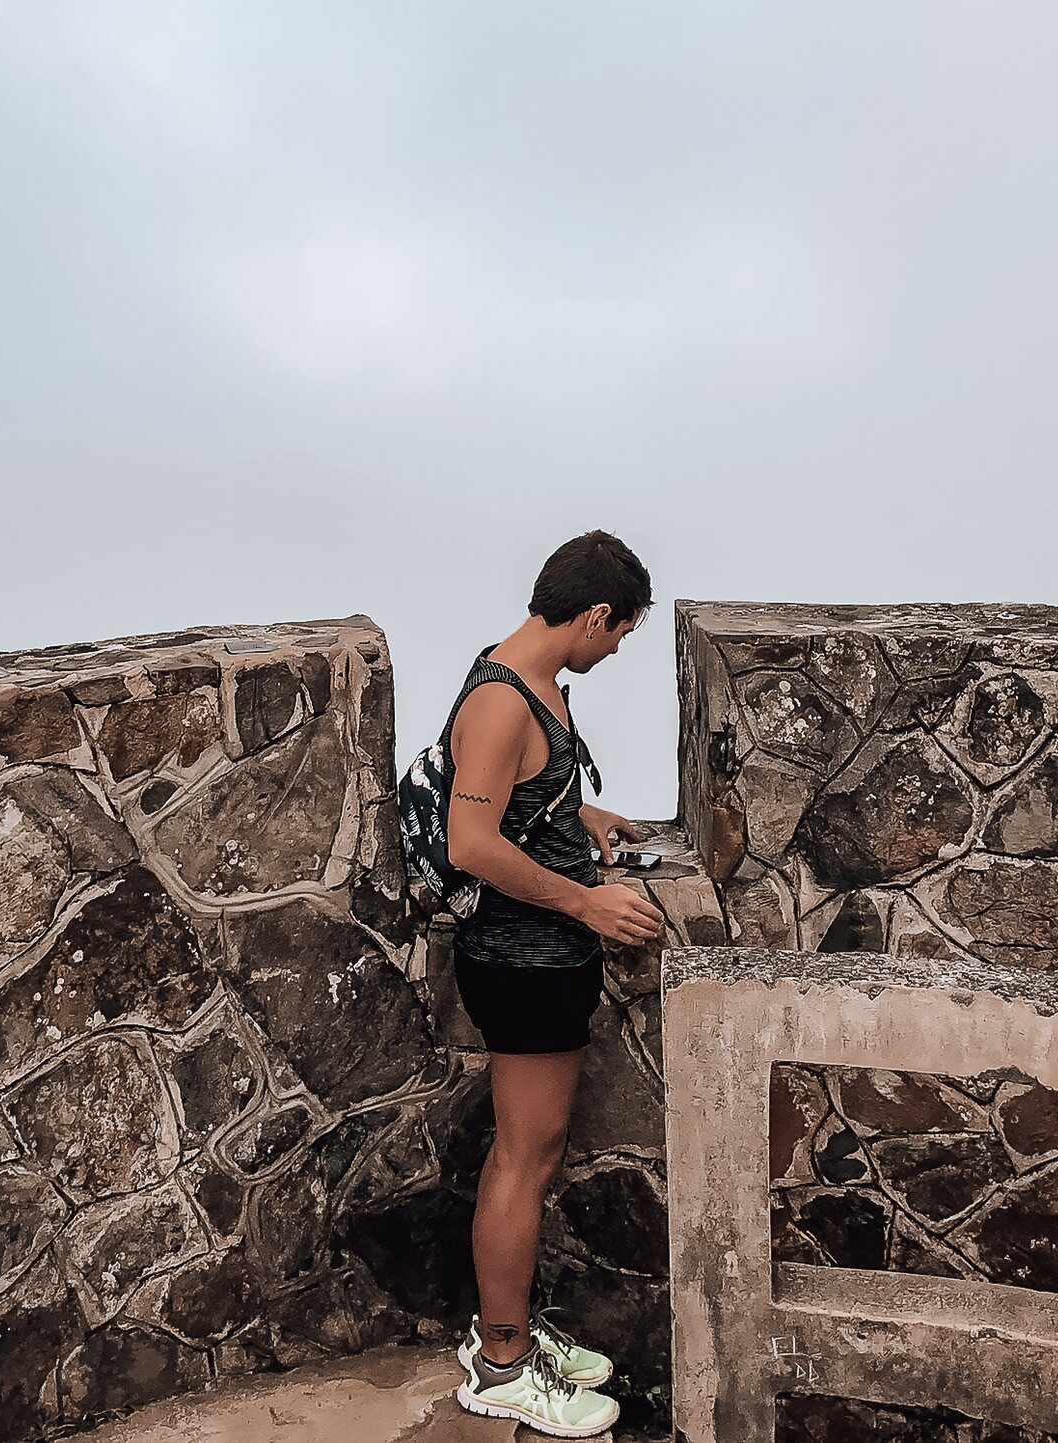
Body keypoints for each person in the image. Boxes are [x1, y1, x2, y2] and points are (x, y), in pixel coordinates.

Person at [440, 530, 664, 1437]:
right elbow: (470, 842)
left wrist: (584, 813)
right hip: (520, 963)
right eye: (618, 635)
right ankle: (500, 1365)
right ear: (594, 614)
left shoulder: (530, 680)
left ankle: (514, 1336)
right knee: (523, 1159)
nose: (613, 651)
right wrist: (588, 904)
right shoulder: (502, 703)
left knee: (536, 1148)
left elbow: (520, 803)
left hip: (544, 959)